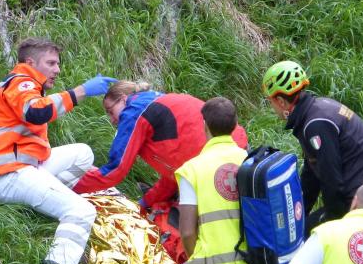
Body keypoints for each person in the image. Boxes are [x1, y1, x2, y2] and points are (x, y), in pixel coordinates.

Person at [0, 37, 117, 264]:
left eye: (57, 64)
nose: (57, 70)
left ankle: (50, 197)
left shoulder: (17, 84)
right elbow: (35, 112)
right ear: (30, 63)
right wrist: (80, 91)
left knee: (83, 153)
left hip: (15, 169)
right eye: (51, 63)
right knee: (81, 212)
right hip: (8, 176)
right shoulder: (22, 82)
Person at [139, 97, 270, 264]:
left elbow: (187, 230)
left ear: (204, 126)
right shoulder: (252, 163)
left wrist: (193, 257)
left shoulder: (193, 169)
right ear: (235, 126)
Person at [262, 60, 363, 230]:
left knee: (306, 238)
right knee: (300, 230)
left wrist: (329, 225)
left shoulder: (315, 125)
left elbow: (331, 180)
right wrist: (298, 215)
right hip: (362, 195)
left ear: (280, 101)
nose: (272, 107)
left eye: (270, 101)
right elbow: (312, 175)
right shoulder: (315, 111)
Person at [73, 81, 247, 207]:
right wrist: (145, 202)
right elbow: (175, 176)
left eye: (111, 111)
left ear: (123, 99)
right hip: (238, 154)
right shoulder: (155, 104)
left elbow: (115, 170)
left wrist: (71, 188)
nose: (112, 120)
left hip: (219, 167)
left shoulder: (136, 110)